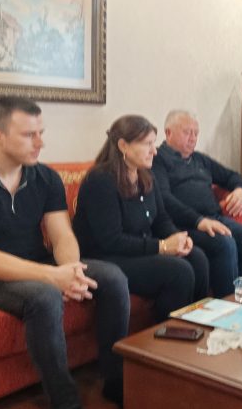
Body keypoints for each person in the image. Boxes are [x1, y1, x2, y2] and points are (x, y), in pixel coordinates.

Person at [0, 96, 129, 408]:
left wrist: (71, 270)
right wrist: (53, 277)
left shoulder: (46, 178)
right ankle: (65, 401)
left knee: (112, 277)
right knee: (44, 295)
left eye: (41, 133)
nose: (41, 143)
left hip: (38, 262)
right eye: (29, 135)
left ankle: (116, 382)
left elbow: (62, 235)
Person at [72, 115, 209, 322]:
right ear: (123, 146)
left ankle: (197, 325)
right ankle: (166, 334)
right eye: (147, 144)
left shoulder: (146, 175)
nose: (154, 151)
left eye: (154, 143)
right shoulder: (100, 181)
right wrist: (162, 246)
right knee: (178, 272)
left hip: (136, 251)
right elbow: (112, 241)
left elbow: (161, 219)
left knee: (197, 257)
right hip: (105, 257)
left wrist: (178, 238)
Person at [152, 110, 242, 297]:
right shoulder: (158, 160)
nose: (193, 138)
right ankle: (226, 304)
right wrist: (199, 220)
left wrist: (240, 190)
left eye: (196, 133)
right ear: (168, 133)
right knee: (224, 243)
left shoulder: (200, 159)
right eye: (187, 132)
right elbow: (164, 199)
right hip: (183, 225)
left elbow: (232, 176)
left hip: (214, 219)